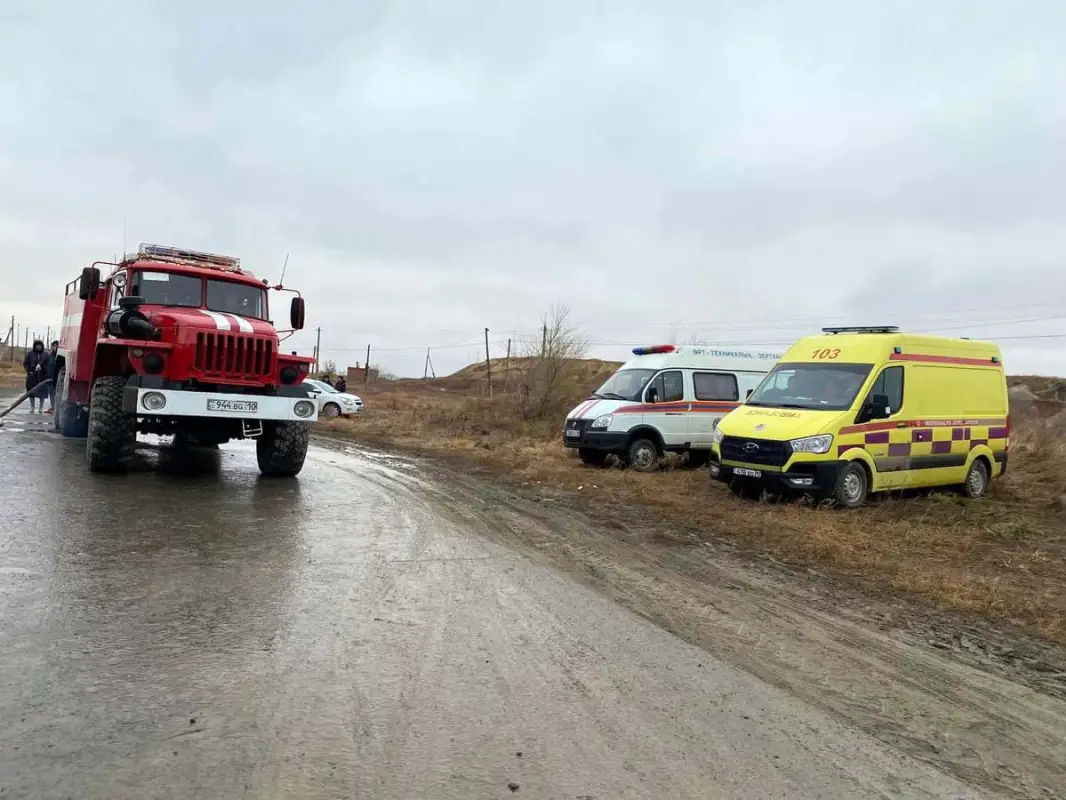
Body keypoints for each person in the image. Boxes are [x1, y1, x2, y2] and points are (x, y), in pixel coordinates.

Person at [22, 339, 49, 413]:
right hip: (32, 376)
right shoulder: (30, 354)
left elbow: (47, 363)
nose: (38, 347)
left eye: (40, 345)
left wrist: (44, 368)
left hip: (42, 376)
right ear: (35, 346)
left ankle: (41, 408)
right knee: (31, 392)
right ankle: (32, 407)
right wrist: (29, 371)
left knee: (42, 393)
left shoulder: (45, 354)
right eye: (37, 345)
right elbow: (25, 363)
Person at [45, 341, 59, 414]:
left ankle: (55, 408)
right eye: (52, 346)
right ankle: (53, 407)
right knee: (51, 394)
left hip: (56, 379)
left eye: (53, 346)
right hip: (49, 378)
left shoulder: (59, 357)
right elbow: (46, 366)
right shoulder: (50, 356)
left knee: (55, 394)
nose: (52, 348)